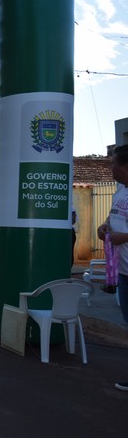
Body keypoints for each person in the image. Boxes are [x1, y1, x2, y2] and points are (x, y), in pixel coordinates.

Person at [96, 144, 128, 391]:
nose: (111, 168)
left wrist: (124, 237)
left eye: (113, 164)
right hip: (123, 270)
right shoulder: (119, 192)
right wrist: (105, 228)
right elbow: (111, 218)